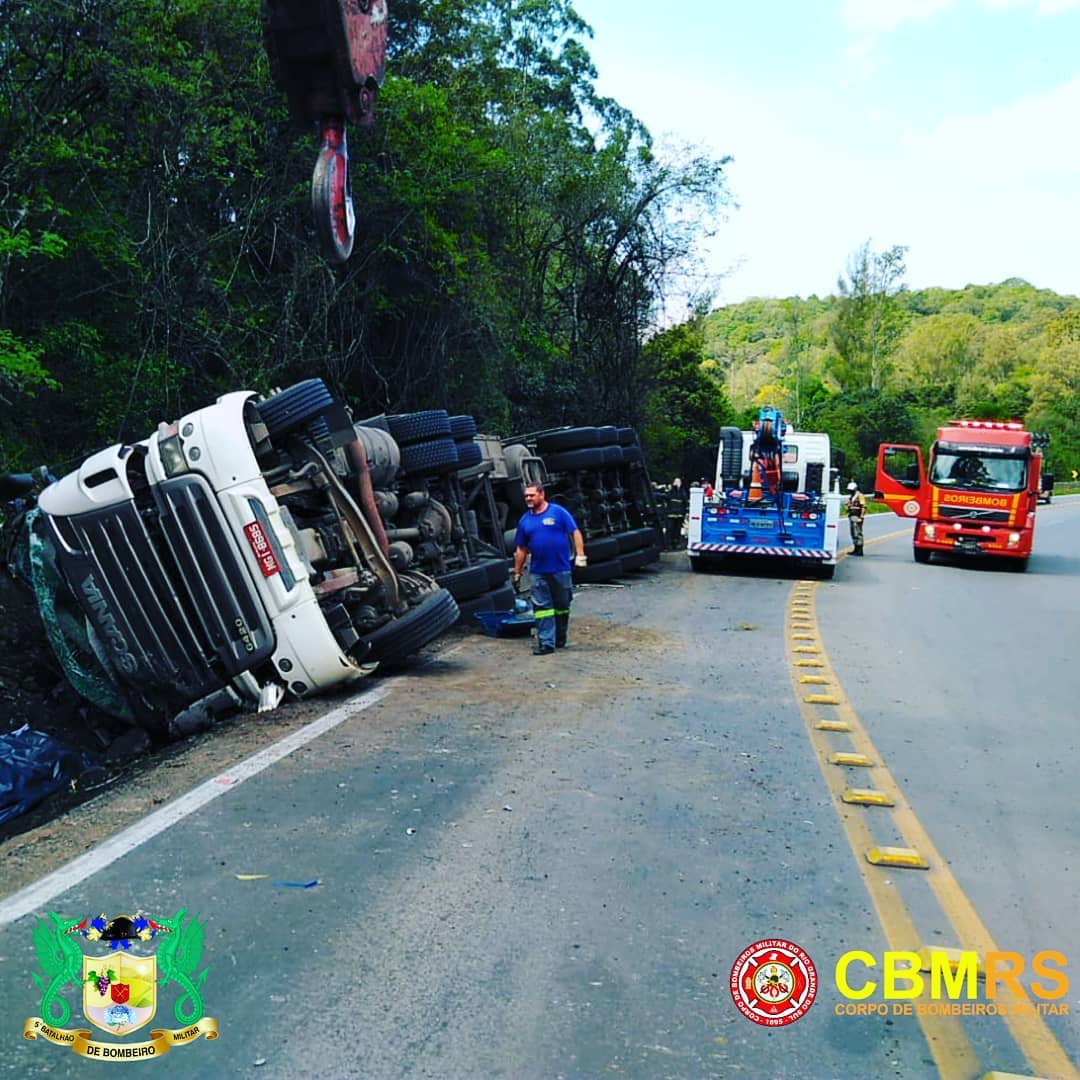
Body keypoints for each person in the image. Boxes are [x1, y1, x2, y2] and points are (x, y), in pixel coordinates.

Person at [512, 483, 587, 655]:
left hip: (560, 568)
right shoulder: (525, 520)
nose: (528, 499)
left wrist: (580, 555)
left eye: (531, 495)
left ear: (541, 494)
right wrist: (517, 572)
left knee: (562, 605)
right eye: (526, 496)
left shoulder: (558, 512)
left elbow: (574, 532)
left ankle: (560, 637)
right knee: (542, 608)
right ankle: (546, 643)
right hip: (538, 571)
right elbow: (521, 549)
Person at [665, 477, 687, 550]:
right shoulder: (671, 491)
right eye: (676, 482)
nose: (677, 484)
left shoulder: (682, 491)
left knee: (677, 530)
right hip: (671, 514)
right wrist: (673, 488)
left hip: (679, 514)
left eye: (679, 482)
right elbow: (667, 497)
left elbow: (685, 500)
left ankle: (676, 544)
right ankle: (668, 544)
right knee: (670, 529)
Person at [846, 480, 867, 556]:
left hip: (857, 515)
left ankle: (859, 550)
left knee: (857, 532)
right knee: (853, 533)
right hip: (852, 515)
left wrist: (861, 516)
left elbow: (863, 506)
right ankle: (856, 549)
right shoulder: (852, 496)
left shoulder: (860, 496)